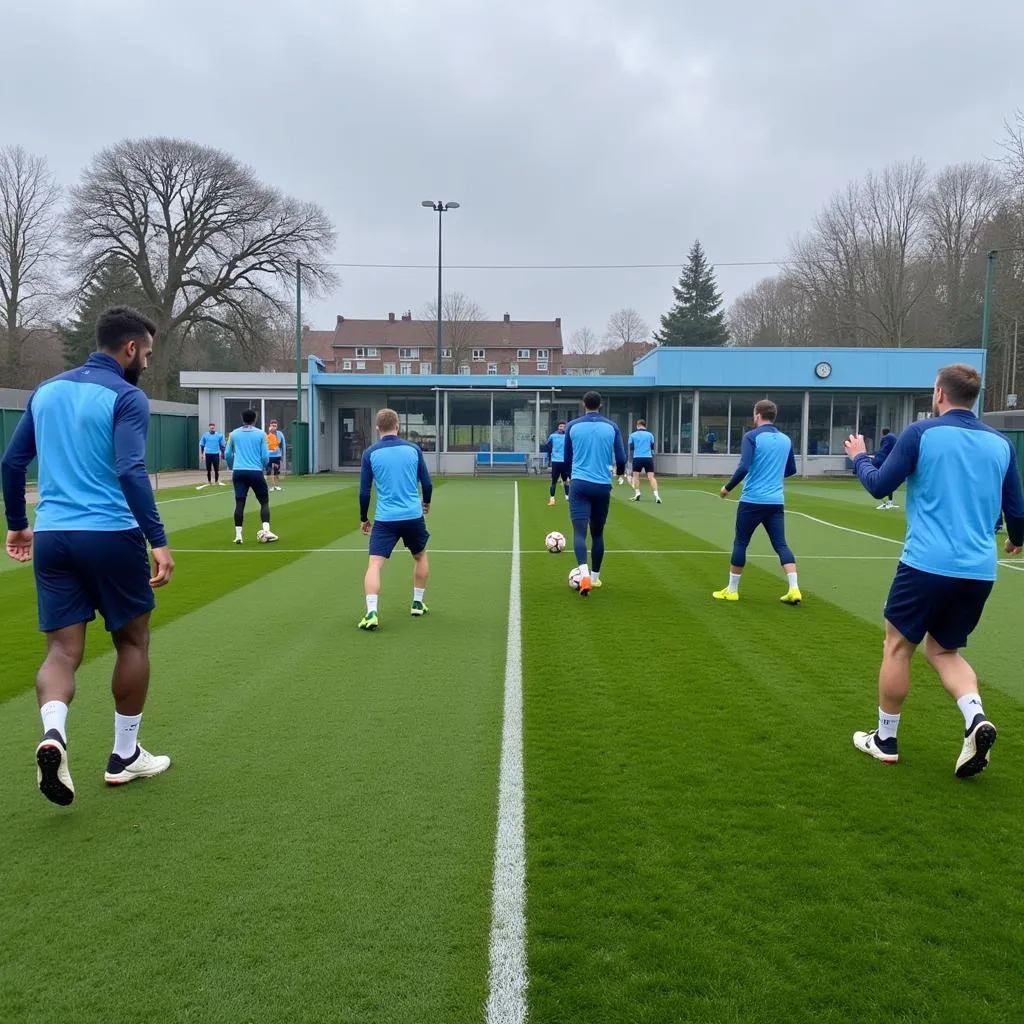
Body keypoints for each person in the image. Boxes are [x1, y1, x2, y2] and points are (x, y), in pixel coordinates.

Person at [1, 306, 175, 807]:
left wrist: (17, 523)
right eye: (145, 351)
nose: (145, 359)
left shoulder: (46, 391)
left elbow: (12, 462)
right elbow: (129, 468)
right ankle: (124, 756)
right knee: (133, 641)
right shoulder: (127, 396)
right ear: (130, 349)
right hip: (111, 534)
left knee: (60, 652)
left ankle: (54, 733)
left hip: (53, 537)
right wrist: (157, 538)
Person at [845, 363, 1024, 778]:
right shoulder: (1000, 444)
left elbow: (879, 484)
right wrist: (1015, 538)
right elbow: (1016, 510)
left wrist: (859, 458)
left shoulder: (921, 433)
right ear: (973, 398)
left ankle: (885, 740)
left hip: (926, 563)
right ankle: (975, 719)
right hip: (979, 569)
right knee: (944, 650)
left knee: (897, 645)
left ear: (939, 394)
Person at [714, 399, 801, 604]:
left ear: (757, 414)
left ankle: (732, 590)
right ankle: (794, 588)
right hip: (776, 501)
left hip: (752, 500)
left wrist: (727, 488)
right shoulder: (785, 439)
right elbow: (791, 470)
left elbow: (744, 466)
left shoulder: (751, 437)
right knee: (780, 544)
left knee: (741, 542)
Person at [358, 408, 433, 630]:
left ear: (377, 428)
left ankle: (372, 611)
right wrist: (426, 502)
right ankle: (417, 603)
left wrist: (364, 517)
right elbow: (427, 483)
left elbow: (364, 492)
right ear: (398, 426)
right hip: (412, 515)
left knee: (375, 565)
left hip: (385, 518)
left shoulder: (370, 453)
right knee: (420, 556)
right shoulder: (413, 449)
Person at [564, 391, 627, 596]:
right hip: (602, 485)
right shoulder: (612, 427)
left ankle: (583, 574)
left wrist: (568, 477)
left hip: (580, 484)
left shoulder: (573, 426)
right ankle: (595, 578)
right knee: (597, 533)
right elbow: (621, 457)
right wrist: (618, 474)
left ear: (584, 405)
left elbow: (567, 458)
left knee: (579, 532)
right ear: (600, 405)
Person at [225, 410, 277, 544]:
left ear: (242, 418)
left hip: (239, 471)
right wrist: (262, 465)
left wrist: (232, 465)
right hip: (255, 471)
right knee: (264, 501)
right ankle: (266, 530)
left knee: (240, 503)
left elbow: (227, 453)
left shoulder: (234, 434)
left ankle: (238, 536)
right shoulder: (261, 434)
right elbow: (265, 456)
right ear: (255, 419)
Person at [628, 418, 661, 503]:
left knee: (636, 476)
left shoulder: (633, 435)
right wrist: (652, 457)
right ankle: (656, 495)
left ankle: (637, 493)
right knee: (651, 477)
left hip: (637, 458)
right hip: (648, 458)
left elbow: (631, 448)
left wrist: (630, 459)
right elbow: (652, 448)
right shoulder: (650, 435)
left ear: (638, 425)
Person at [872, 427, 898, 509]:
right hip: (892, 462)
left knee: (879, 482)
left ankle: (884, 503)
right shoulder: (894, 438)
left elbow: (883, 451)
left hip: (883, 462)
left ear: (882, 433)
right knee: (890, 482)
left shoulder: (885, 439)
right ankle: (890, 502)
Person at [545, 420, 569, 506]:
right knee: (554, 481)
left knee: (566, 481)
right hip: (555, 461)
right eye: (560, 426)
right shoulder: (553, 436)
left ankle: (567, 497)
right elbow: (547, 444)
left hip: (565, 462)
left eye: (563, 426)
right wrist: (551, 452)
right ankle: (552, 499)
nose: (562, 428)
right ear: (558, 427)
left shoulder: (567, 436)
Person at [198, 421, 226, 489]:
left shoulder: (219, 435)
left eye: (213, 428)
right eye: (211, 428)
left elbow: (222, 445)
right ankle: (209, 481)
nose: (212, 429)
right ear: (209, 428)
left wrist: (222, 453)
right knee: (208, 469)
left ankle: (216, 481)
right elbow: (202, 445)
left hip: (216, 454)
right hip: (208, 454)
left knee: (216, 469)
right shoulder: (205, 435)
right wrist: (202, 454)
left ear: (214, 428)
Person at [266, 419, 286, 491]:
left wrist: (283, 456)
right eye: (272, 426)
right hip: (269, 456)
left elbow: (283, 445)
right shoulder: (267, 435)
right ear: (270, 426)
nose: (274, 427)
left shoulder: (280, 434)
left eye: (275, 426)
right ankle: (270, 486)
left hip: (277, 456)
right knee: (268, 471)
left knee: (276, 471)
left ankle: (276, 485)